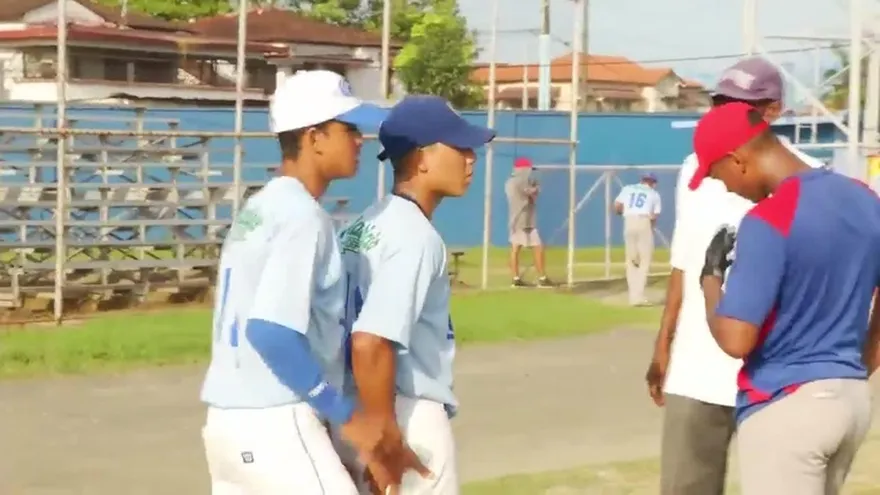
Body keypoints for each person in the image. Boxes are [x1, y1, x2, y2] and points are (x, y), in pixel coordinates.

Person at [199, 70, 415, 494]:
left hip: (227, 422)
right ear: (314, 137)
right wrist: (345, 414)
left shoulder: (261, 206)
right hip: (276, 419)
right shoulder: (303, 217)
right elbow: (270, 331)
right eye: (348, 129)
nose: (360, 140)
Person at [645, 56, 829, 495]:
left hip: (775, 378)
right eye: (719, 102)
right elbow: (685, 261)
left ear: (772, 112)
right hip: (696, 372)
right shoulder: (696, 167)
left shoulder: (812, 178)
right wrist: (664, 344)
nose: (725, 112)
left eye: (739, 105)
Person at [692, 101, 880, 494]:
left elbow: (736, 339)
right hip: (850, 399)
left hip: (787, 403)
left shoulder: (769, 219)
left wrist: (710, 282)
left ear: (737, 160)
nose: (726, 187)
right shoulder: (865, 199)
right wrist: (856, 368)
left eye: (718, 175)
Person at [335, 95, 496, 495]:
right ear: (422, 158)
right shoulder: (415, 237)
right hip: (402, 411)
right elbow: (370, 341)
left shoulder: (364, 223)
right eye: (459, 147)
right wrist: (385, 435)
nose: (471, 158)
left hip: (354, 406)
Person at [613, 173, 661, 306]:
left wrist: (624, 213)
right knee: (644, 260)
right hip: (643, 221)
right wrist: (651, 230)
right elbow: (654, 216)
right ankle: (638, 297)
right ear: (653, 183)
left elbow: (617, 206)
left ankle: (632, 296)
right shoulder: (654, 194)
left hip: (629, 222)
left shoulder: (628, 188)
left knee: (631, 260)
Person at [504, 157, 552, 288]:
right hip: (523, 220)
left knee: (516, 249)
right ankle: (541, 278)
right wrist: (536, 186)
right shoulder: (520, 181)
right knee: (535, 247)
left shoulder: (510, 182)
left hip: (520, 219)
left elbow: (530, 196)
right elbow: (531, 193)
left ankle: (516, 278)